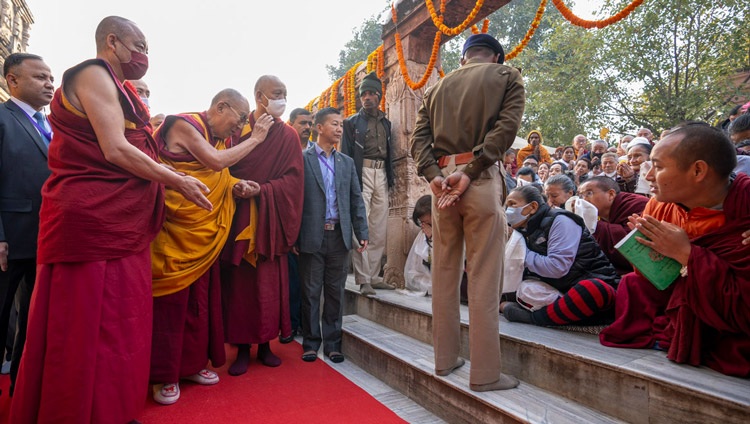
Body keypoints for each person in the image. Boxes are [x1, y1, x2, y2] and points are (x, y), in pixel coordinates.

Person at [11, 16, 211, 424]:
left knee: (123, 325)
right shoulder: (92, 73)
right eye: (139, 45)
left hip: (122, 221)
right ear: (113, 42)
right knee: (84, 328)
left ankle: (113, 410)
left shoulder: (122, 88)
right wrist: (177, 180)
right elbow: (116, 149)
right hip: (91, 220)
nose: (144, 56)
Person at [410, 33, 524, 391]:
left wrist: (434, 176)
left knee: (443, 275)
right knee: (484, 278)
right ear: (495, 57)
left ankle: (444, 361)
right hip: (479, 180)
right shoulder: (507, 76)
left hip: (443, 184)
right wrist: (471, 171)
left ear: (463, 59)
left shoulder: (436, 88)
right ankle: (486, 374)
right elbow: (505, 131)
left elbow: (418, 141)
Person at [149, 90, 273, 405]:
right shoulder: (183, 125)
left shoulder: (217, 140)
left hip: (202, 240)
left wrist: (236, 185)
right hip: (174, 236)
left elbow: (219, 174)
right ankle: (163, 375)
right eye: (241, 118)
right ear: (221, 107)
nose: (241, 127)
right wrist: (256, 138)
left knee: (199, 305)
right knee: (170, 309)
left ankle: (191, 365)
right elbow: (214, 163)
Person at [599, 123, 750, 377]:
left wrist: (686, 254)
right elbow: (650, 276)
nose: (647, 177)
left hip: (729, 318)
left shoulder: (744, 201)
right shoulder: (659, 207)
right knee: (631, 284)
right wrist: (647, 247)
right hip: (679, 296)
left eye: (657, 167)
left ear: (698, 170)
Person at [220, 75, 304, 376]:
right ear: (259, 96)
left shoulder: (288, 136)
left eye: (285, 93)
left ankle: (266, 346)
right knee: (241, 287)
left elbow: (294, 181)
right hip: (238, 218)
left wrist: (263, 190)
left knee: (269, 286)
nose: (282, 99)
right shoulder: (236, 131)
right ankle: (242, 349)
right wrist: (235, 184)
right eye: (276, 93)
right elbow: (220, 167)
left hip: (270, 220)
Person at [0, 53, 54, 397]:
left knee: (31, 326)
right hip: (8, 243)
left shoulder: (51, 125)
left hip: (44, 240)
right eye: (39, 77)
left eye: (50, 77)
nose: (49, 84)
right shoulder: (3, 119)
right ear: (13, 81)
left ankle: (21, 394)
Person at [298, 107, 368, 364]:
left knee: (336, 292)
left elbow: (355, 199)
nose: (339, 128)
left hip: (339, 236)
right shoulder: (303, 160)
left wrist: (362, 231)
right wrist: (294, 237)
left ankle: (333, 344)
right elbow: (296, 201)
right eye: (334, 124)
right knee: (311, 292)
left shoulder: (346, 163)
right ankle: (310, 343)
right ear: (319, 128)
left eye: (341, 124)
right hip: (311, 236)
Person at [500, 185, 619, 326]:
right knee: (525, 289)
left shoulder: (561, 221)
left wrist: (520, 252)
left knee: (592, 290)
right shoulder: (523, 231)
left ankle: (534, 318)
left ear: (532, 207)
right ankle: (565, 313)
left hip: (593, 289)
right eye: (506, 206)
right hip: (563, 291)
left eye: (513, 204)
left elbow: (557, 267)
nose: (508, 210)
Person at [342, 71, 395, 296]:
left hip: (381, 173)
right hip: (360, 172)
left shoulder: (387, 123)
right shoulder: (351, 123)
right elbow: (345, 155)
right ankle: (363, 279)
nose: (367, 97)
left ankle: (374, 276)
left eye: (371, 93)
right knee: (361, 224)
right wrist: (349, 182)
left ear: (379, 96)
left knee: (379, 227)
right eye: (363, 94)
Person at [281, 107, 314, 343]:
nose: (307, 127)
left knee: (309, 282)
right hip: (290, 225)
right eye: (302, 123)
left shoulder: (316, 154)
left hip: (311, 226)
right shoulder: (282, 153)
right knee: (291, 281)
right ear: (291, 124)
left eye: (310, 123)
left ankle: (306, 324)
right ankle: (290, 325)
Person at [576, 177, 648, 274]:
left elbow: (633, 247)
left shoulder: (636, 204)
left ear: (611, 194)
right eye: (580, 196)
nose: (583, 200)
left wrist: (595, 224)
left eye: (589, 193)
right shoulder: (601, 214)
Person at [404, 195, 433, 294]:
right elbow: (413, 269)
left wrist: (433, 238)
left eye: (427, 222)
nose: (424, 225)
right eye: (422, 222)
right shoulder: (422, 234)